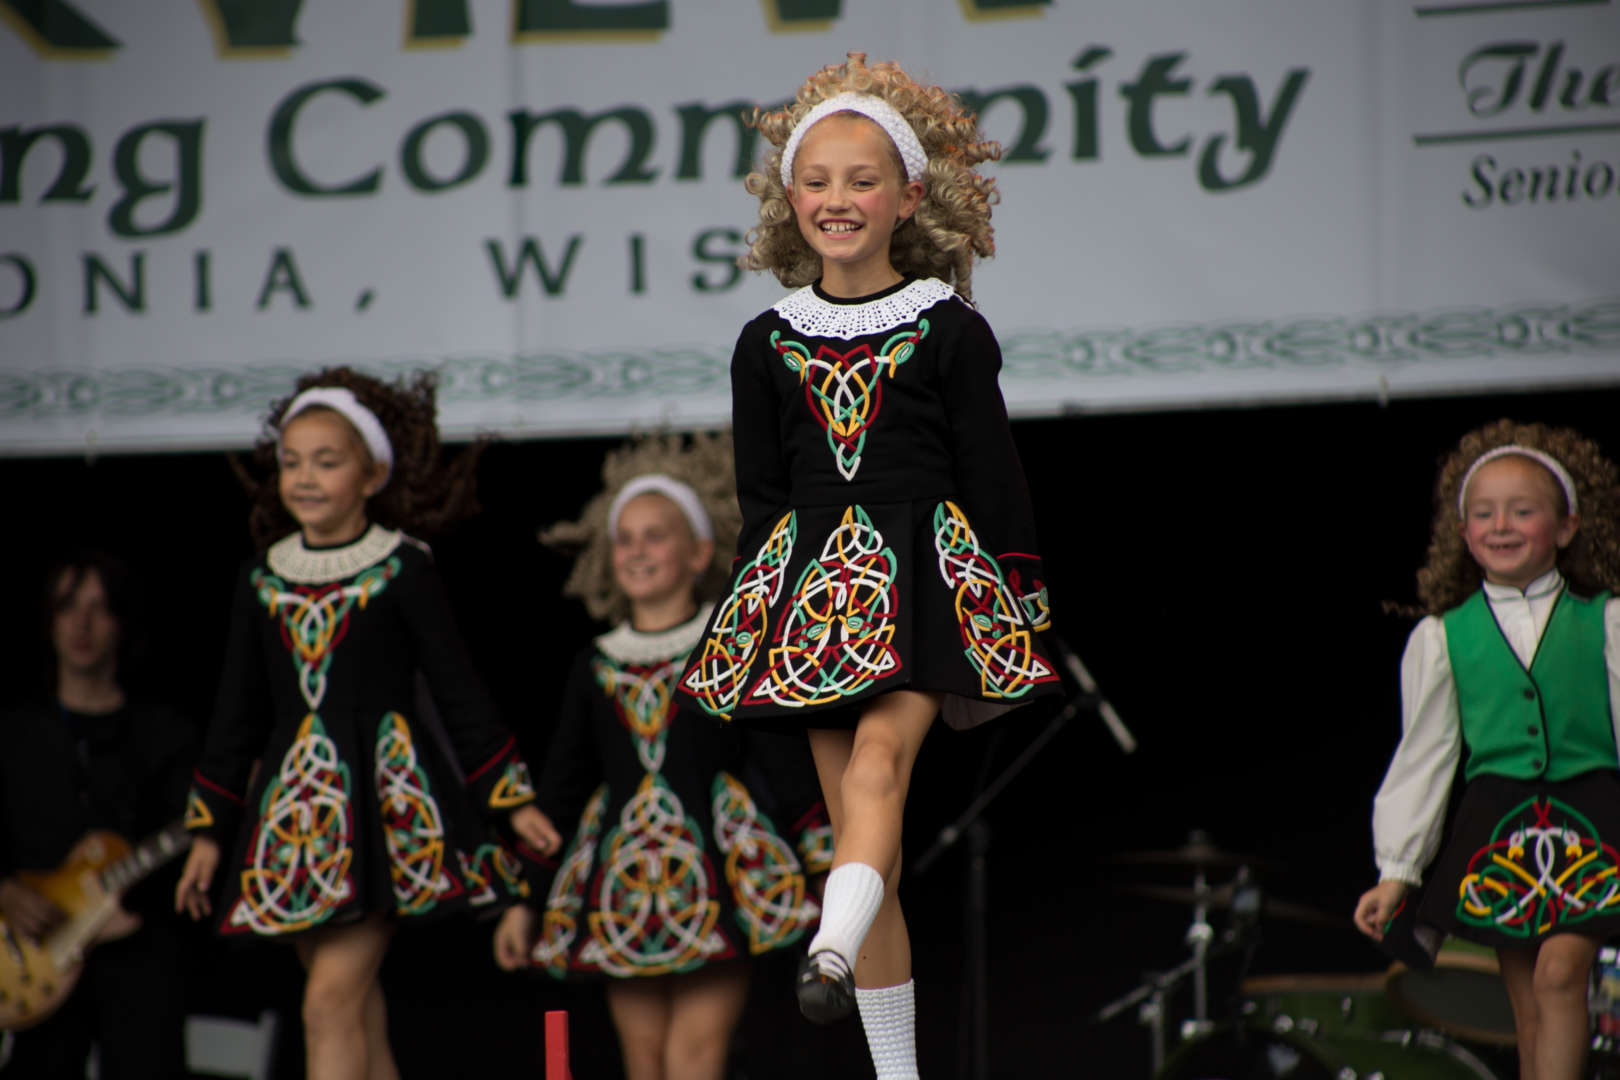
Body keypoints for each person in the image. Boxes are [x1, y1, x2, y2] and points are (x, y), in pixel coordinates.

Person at [674, 53, 1061, 1078]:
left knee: (881, 771)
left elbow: (994, 476)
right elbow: (765, 501)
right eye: (818, 181)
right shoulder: (764, 342)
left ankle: (829, 949)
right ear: (788, 199)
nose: (837, 199)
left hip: (926, 586)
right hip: (808, 606)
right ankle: (896, 1069)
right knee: (862, 833)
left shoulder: (946, 328)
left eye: (861, 180)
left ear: (908, 197)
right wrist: (754, 618)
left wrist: (1019, 594)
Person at [172, 368, 560, 1080]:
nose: (305, 477)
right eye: (291, 462)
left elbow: (458, 692)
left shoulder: (403, 568)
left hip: (386, 809)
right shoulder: (261, 577)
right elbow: (236, 713)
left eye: (327, 461)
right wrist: (208, 830)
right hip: (295, 819)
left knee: (326, 1004)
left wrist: (512, 797)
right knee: (352, 1007)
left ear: (372, 472)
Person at [493, 432, 832, 1080]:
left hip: (720, 875)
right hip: (621, 890)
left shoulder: (729, 644)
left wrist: (825, 866)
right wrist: (523, 899)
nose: (637, 550)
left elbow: (785, 761)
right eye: (626, 537)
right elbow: (560, 790)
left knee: (692, 1059)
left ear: (700, 550)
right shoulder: (595, 664)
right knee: (643, 1064)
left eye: (656, 535)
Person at [1354, 419, 1620, 1080]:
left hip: (1591, 817)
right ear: (1464, 533)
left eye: (1522, 511)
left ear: (1565, 526)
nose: (1501, 525)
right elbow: (1425, 757)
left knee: (1562, 976)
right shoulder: (1445, 637)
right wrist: (1398, 869)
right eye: (1483, 513)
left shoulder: (1606, 620)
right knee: (1528, 1004)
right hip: (1499, 823)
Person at [0, 549, 197, 1079]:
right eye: (68, 608)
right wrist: (6, 892)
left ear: (122, 623)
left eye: (99, 609)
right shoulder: (15, 733)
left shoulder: (166, 736)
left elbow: (195, 851)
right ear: (49, 621)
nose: (82, 625)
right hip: (37, 954)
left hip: (137, 957)